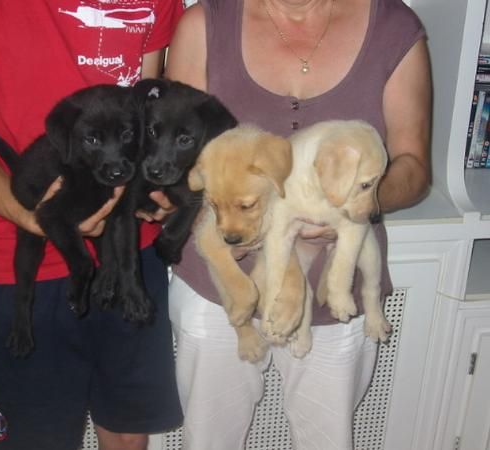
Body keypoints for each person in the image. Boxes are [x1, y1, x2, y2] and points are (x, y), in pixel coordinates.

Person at [0, 1, 184, 449]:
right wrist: (41, 219)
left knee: (129, 435)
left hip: (131, 256)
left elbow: (143, 116)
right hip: (18, 260)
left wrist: (162, 191)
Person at [164, 0, 432, 449]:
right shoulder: (204, 24)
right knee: (208, 441)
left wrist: (351, 203)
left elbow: (414, 167)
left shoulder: (394, 26)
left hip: (334, 287)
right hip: (223, 287)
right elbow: (176, 161)